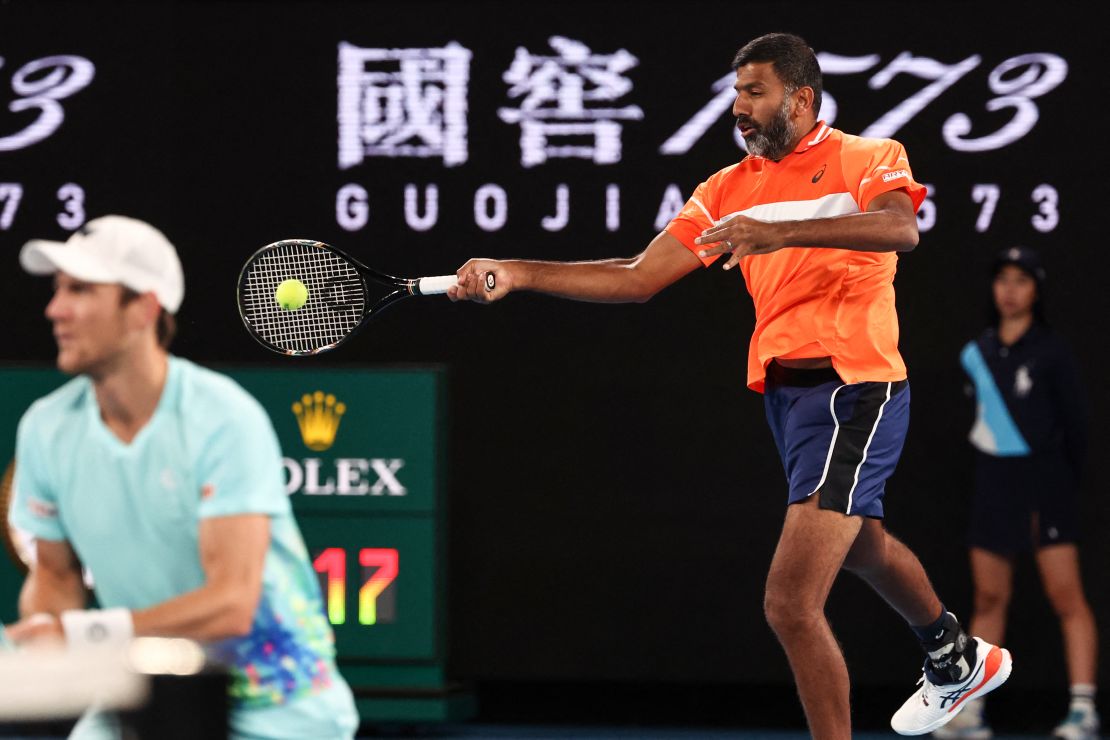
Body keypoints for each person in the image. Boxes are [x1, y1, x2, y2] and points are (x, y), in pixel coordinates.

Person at [449, 33, 1012, 739]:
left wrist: (783, 236)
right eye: (736, 93)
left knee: (789, 603)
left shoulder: (867, 156)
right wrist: (520, 272)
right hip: (789, 401)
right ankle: (955, 656)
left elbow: (902, 230)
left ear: (800, 99)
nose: (740, 107)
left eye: (755, 92)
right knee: (863, 544)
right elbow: (638, 277)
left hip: (855, 391)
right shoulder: (726, 189)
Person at [3, 215, 360, 740]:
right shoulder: (45, 428)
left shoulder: (223, 419)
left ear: (143, 309)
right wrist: (45, 637)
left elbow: (233, 604)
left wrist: (84, 633)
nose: (55, 310)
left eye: (80, 289)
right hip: (138, 692)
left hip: (278, 705)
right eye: (57, 289)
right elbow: (56, 576)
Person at [934, 247, 1098, 740]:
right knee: (987, 596)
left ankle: (1083, 707)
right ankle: (972, 711)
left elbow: (1077, 429)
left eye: (1021, 280)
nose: (1009, 289)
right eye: (1002, 279)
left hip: (1045, 489)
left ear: (1036, 290)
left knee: (1066, 596)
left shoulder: (1051, 352)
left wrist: (1054, 487)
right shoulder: (975, 353)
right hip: (993, 489)